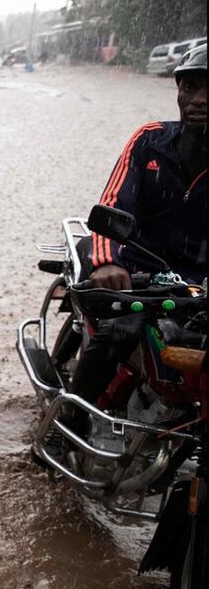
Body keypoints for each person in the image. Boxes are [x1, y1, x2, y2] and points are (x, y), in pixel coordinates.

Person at [70, 44, 207, 404]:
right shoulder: (149, 140)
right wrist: (110, 262)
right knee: (120, 329)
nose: (198, 100)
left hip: (194, 283)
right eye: (190, 87)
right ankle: (69, 417)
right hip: (137, 269)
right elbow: (113, 202)